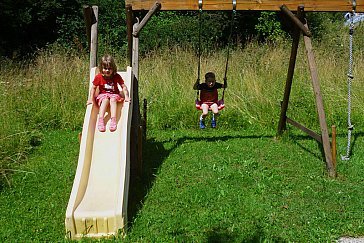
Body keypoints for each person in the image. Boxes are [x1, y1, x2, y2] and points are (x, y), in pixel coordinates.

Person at [86, 54, 131, 132]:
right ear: (101, 68)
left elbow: (124, 87)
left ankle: (113, 119)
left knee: (113, 99)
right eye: (105, 68)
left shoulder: (116, 76)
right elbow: (93, 88)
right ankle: (101, 119)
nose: (107, 70)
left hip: (114, 95)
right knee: (105, 99)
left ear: (113, 69)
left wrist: (126, 97)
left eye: (109, 68)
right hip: (103, 95)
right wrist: (90, 99)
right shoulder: (99, 77)